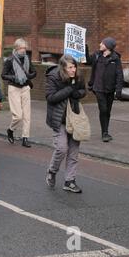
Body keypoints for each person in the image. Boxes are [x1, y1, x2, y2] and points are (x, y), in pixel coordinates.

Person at [45, 55, 86, 193]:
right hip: (59, 118)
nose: (73, 70)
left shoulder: (78, 76)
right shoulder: (53, 77)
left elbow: (83, 91)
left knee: (74, 151)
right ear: (63, 68)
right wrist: (69, 89)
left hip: (74, 118)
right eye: (70, 67)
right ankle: (52, 170)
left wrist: (76, 93)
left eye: (74, 66)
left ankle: (70, 181)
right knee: (62, 148)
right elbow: (50, 98)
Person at [86, 38, 124, 143]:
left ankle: (105, 131)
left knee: (107, 111)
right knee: (103, 109)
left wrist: (118, 89)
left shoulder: (115, 59)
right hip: (98, 88)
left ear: (107, 46)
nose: (100, 44)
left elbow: (119, 75)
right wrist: (85, 49)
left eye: (102, 43)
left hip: (110, 89)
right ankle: (105, 133)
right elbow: (87, 61)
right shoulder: (97, 55)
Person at [2, 38, 37, 148]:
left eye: (25, 48)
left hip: (25, 87)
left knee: (27, 115)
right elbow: (3, 75)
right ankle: (10, 130)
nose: (24, 50)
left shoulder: (27, 59)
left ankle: (25, 138)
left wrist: (29, 76)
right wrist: (15, 77)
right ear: (16, 48)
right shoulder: (10, 60)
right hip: (14, 88)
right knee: (18, 115)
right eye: (22, 48)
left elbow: (34, 72)